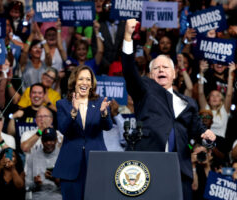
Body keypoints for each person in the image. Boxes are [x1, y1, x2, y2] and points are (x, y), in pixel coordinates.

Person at [122, 19, 216, 200]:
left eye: (165, 67)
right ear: (150, 75)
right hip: (147, 166)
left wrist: (207, 137)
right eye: (156, 68)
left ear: (174, 74)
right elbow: (128, 69)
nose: (160, 70)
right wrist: (128, 36)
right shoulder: (144, 90)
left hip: (180, 170)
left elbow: (198, 132)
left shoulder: (189, 103)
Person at [52, 66, 112, 200]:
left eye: (88, 79)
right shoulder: (63, 104)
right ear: (74, 81)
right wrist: (73, 111)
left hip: (96, 162)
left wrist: (104, 113)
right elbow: (64, 129)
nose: (84, 82)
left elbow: (108, 126)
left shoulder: (99, 102)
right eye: (81, 79)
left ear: (92, 84)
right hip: (71, 164)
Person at [25, 127, 61, 200]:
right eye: (46, 140)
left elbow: (69, 187)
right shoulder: (33, 156)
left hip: (58, 196)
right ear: (41, 141)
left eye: (51, 140)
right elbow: (27, 186)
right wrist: (35, 184)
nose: (48, 143)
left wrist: (56, 180)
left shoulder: (63, 156)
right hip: (38, 197)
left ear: (56, 140)